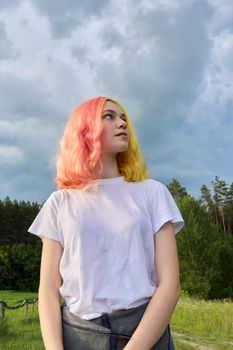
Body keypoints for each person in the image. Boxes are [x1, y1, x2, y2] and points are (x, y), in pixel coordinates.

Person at [28, 96, 184, 350]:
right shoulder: (60, 202)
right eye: (109, 116)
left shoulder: (153, 193)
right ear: (85, 129)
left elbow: (171, 285)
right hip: (79, 335)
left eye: (123, 117)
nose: (122, 122)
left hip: (145, 334)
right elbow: (48, 289)